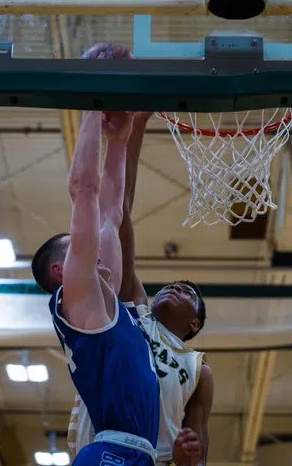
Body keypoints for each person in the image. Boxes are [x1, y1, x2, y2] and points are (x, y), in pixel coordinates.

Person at [31, 43, 160, 466]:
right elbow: (83, 191)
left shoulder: (104, 299)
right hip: (113, 453)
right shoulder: (80, 297)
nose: (91, 247)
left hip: (128, 453)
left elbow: (111, 212)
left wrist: (120, 140)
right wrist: (90, 102)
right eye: (77, 247)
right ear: (61, 270)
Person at [67, 106, 215, 466]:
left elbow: (199, 447)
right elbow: (119, 211)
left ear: (194, 323)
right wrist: (134, 128)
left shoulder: (198, 369)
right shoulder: (134, 313)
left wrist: (188, 458)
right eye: (174, 284)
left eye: (187, 293)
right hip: (101, 446)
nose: (175, 287)